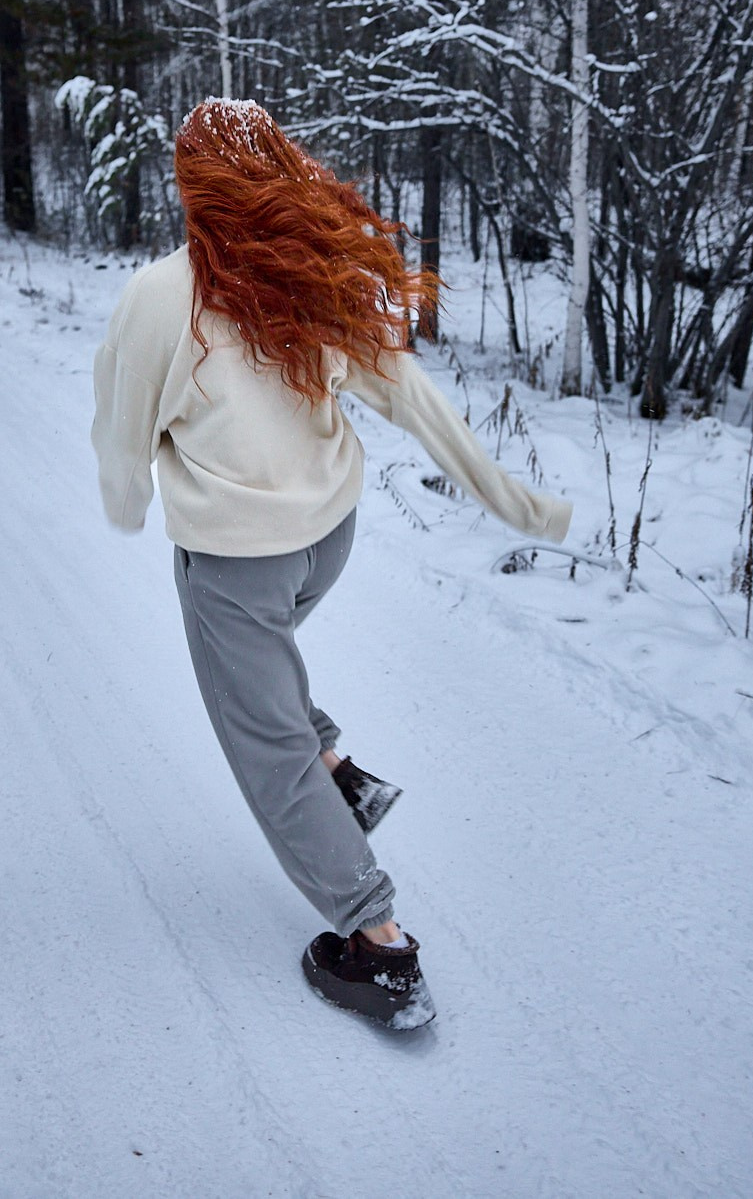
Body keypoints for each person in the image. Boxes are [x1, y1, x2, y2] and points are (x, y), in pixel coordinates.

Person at [91, 98, 571, 1030]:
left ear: (193, 188)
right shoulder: (308, 280)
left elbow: (123, 432)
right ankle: (342, 770)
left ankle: (375, 946)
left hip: (238, 560)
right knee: (262, 673)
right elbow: (412, 397)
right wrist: (510, 496)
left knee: (262, 741)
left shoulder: (162, 296)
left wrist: (127, 502)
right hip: (329, 539)